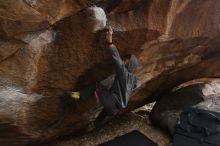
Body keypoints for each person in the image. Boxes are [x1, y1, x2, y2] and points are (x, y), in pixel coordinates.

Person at [67, 26, 139, 127]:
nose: (123, 61)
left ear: (128, 64)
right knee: (105, 111)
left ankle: (79, 95)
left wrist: (110, 42)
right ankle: (95, 126)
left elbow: (117, 60)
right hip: (116, 109)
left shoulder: (123, 73)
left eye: (125, 60)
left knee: (97, 85)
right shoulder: (134, 79)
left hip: (111, 102)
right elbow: (132, 86)